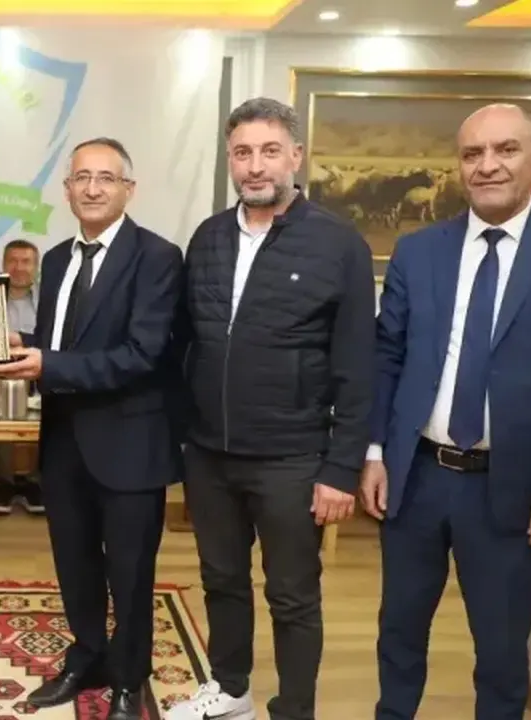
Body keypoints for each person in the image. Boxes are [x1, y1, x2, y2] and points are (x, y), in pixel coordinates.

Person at [361, 103, 531, 720]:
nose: (487, 165)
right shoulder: (418, 250)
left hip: (513, 490)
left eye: (505, 150)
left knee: (503, 654)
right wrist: (375, 451)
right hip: (415, 479)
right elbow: (387, 356)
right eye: (472, 154)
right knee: (398, 633)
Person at [167, 98, 374, 720]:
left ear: (295, 157)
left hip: (292, 458)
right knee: (221, 580)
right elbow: (185, 344)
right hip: (210, 455)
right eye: (242, 153)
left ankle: (294, 710)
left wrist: (341, 469)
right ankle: (230, 689)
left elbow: (356, 365)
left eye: (269, 151)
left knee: (292, 595)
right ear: (230, 160)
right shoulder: (208, 238)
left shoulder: (338, 244)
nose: (255, 166)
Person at [0, 137, 182, 720]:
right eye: (82, 178)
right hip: (63, 442)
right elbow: (66, 343)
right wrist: (24, 345)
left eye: (106, 178)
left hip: (130, 444)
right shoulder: (55, 260)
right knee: (74, 564)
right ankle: (87, 656)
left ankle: (128, 678)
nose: (93, 188)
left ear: (129, 189)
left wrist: (48, 364)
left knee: (130, 573)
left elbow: (143, 354)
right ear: (67, 189)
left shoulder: (158, 257)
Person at [0, 239, 45, 516]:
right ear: (3, 264)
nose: (19, 267)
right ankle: (3, 484)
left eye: (26, 261)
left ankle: (37, 482)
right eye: (13, 261)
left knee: (58, 409)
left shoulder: (51, 300)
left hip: (42, 373)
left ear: (36, 267)